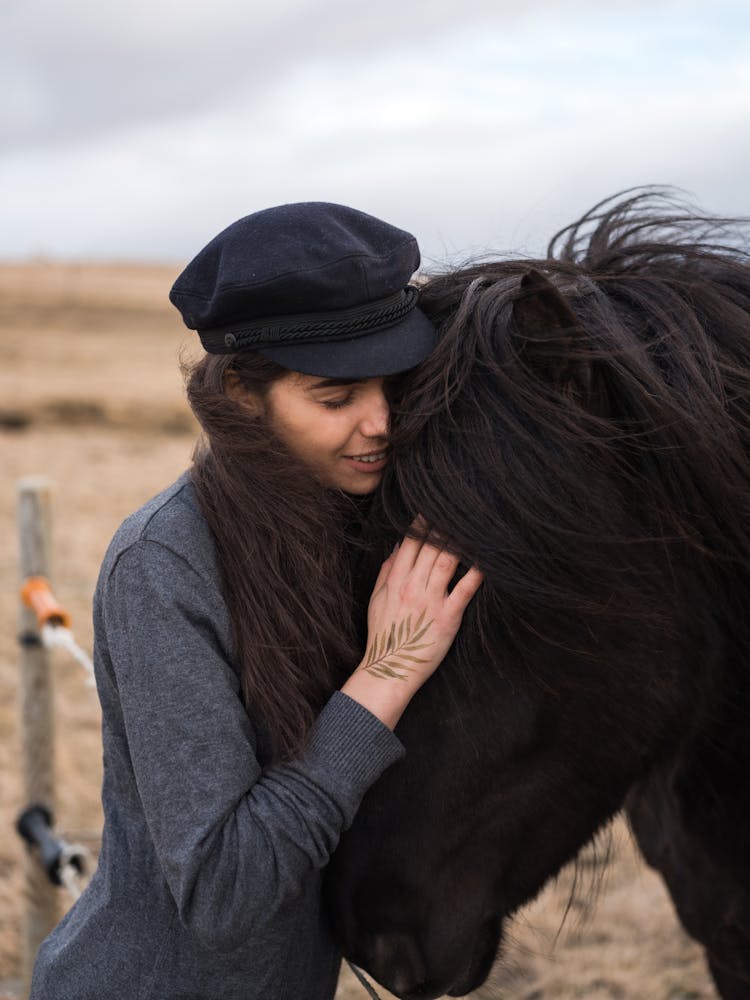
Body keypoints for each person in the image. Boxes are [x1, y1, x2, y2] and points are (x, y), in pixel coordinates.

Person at [30, 202, 483, 1000]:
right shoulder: (163, 567)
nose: (380, 423)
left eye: (393, 385)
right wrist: (387, 672)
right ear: (243, 392)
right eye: (336, 398)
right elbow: (223, 892)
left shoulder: (355, 522)